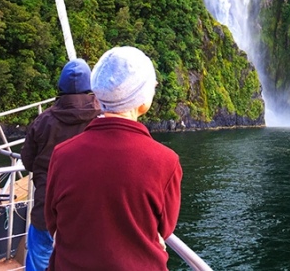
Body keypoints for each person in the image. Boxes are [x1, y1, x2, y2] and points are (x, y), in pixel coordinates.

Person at [45, 46, 182, 271]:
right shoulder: (166, 161)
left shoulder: (62, 154)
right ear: (143, 102)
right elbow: (163, 230)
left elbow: (53, 222)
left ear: (97, 98)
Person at [20, 59, 102, 271]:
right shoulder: (101, 122)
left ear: (60, 88)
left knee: (39, 261)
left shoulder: (42, 121)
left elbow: (28, 162)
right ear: (91, 88)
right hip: (87, 215)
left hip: (45, 211)